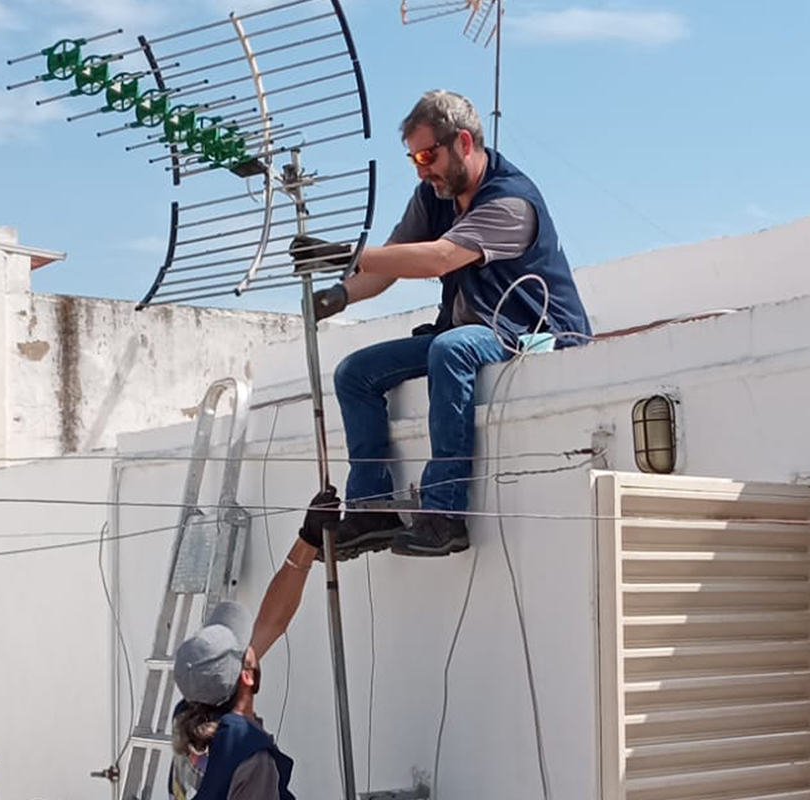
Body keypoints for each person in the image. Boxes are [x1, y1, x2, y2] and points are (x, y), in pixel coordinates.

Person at [290, 89, 593, 559]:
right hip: (472, 332)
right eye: (413, 158)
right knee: (356, 373)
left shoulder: (511, 202)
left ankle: (446, 514)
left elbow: (439, 258)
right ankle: (372, 511)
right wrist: (338, 295)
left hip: (535, 333)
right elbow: (388, 264)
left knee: (450, 349)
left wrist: (339, 252)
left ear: (465, 143)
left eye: (428, 155)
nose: (421, 168)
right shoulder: (434, 197)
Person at [169, 487, 339, 799]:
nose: (254, 644)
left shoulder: (189, 719)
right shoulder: (249, 756)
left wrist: (307, 540)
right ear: (247, 675)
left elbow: (272, 622)